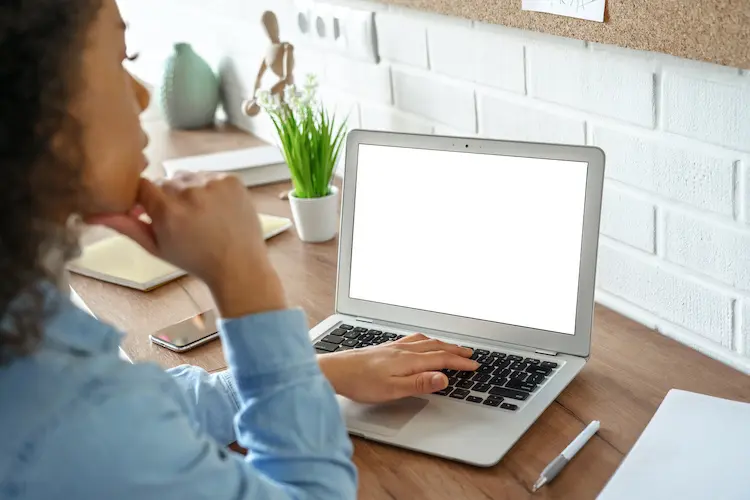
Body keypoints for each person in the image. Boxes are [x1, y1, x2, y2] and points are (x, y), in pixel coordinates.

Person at [0, 1, 479, 498]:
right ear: (30, 102)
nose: (142, 96)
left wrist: (316, 371)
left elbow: (138, 408)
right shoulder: (56, 414)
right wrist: (241, 276)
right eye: (122, 58)